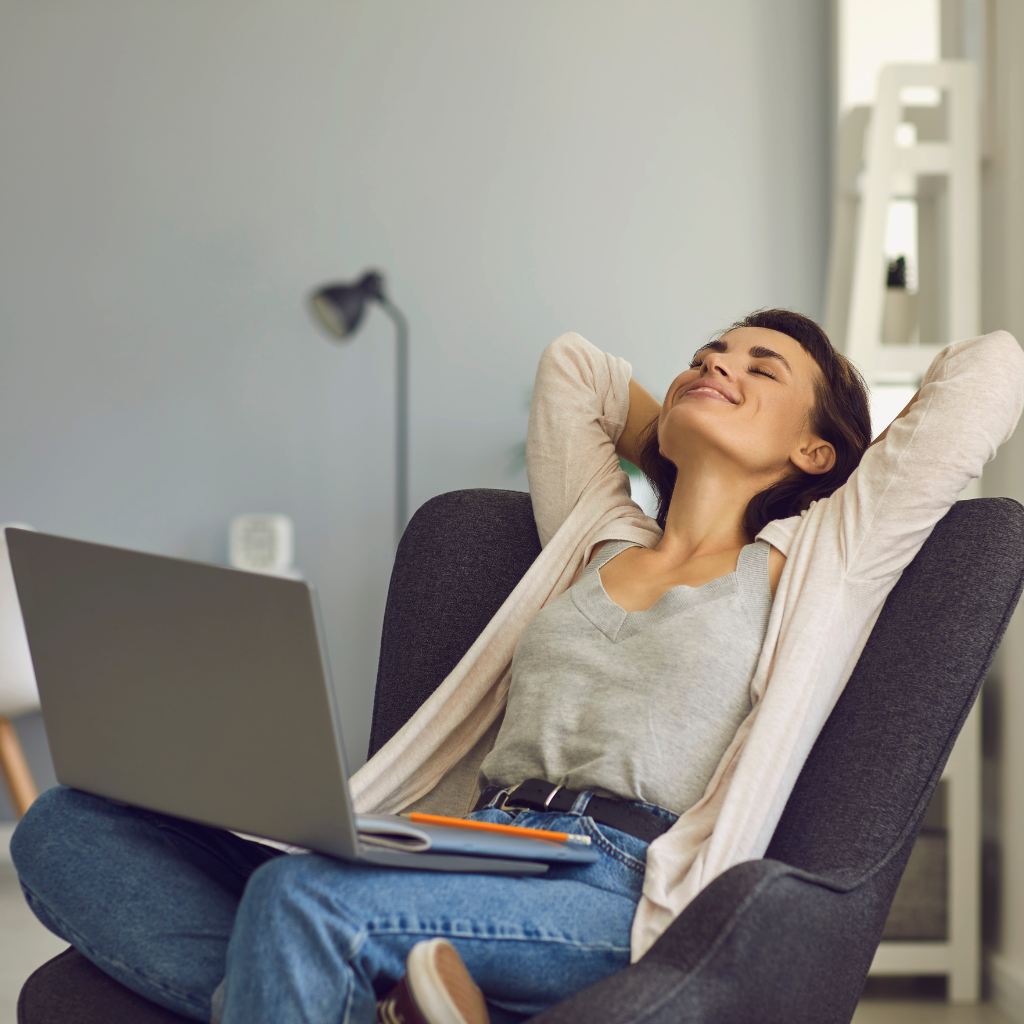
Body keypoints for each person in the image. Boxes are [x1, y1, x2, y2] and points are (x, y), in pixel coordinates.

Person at [12, 310, 1024, 1024]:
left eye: (760, 367)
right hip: (454, 842)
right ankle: (360, 1001)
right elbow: (573, 367)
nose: (716, 362)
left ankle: (327, 983)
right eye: (705, 353)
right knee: (66, 826)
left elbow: (991, 371)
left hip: (611, 880)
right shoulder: (591, 534)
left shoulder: (825, 556)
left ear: (813, 451)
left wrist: (752, 446)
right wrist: (676, 432)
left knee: (301, 906)